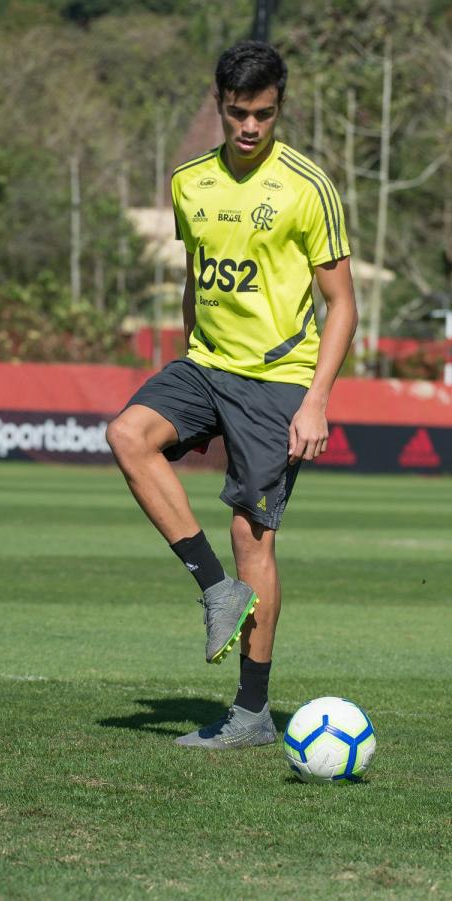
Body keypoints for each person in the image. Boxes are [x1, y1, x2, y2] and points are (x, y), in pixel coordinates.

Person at [106, 40, 357, 749]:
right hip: (205, 363)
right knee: (127, 434)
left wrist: (317, 400)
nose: (251, 127)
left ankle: (250, 713)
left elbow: (342, 304)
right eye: (239, 113)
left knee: (254, 534)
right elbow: (195, 273)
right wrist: (189, 354)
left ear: (280, 108)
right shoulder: (189, 181)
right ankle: (215, 589)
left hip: (278, 381)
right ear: (219, 105)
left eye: (265, 114)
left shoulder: (308, 187)